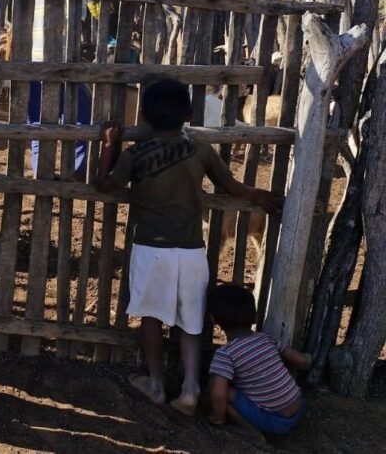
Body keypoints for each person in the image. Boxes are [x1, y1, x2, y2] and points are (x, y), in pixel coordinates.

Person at [95, 79, 281, 416]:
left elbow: (105, 185)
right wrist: (257, 196)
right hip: (192, 251)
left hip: (151, 250)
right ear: (189, 113)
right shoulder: (201, 151)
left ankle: (154, 383)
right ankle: (191, 388)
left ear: (144, 116)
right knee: (191, 322)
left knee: (151, 318)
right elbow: (230, 185)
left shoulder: (136, 155)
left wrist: (109, 144)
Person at [28, 0, 100, 178]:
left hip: (34, 62)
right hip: (62, 64)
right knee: (81, 118)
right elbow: (96, 11)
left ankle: (42, 171)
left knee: (39, 120)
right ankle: (77, 171)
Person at [207, 283, 309, 437]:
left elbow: (219, 395)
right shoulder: (265, 338)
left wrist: (217, 417)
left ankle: (249, 430)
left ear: (213, 320)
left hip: (274, 422)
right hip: (299, 408)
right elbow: (300, 360)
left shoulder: (225, 354)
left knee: (220, 390)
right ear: (255, 316)